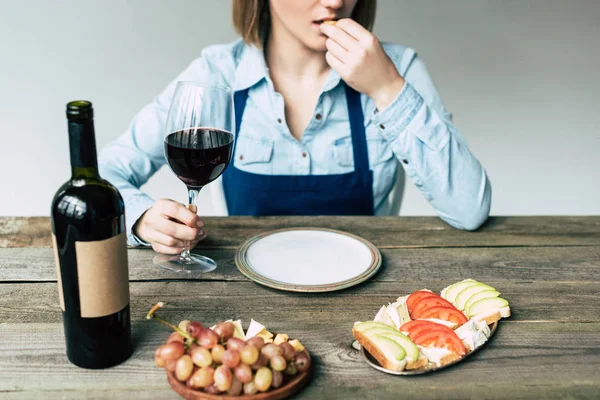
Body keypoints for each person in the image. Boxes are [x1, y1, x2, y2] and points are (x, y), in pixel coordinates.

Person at [99, 0, 491, 255]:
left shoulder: (398, 69)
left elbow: (469, 209)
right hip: (244, 302)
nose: (336, 1)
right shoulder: (218, 73)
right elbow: (104, 173)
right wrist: (141, 219)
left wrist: (387, 88)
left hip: (368, 300)